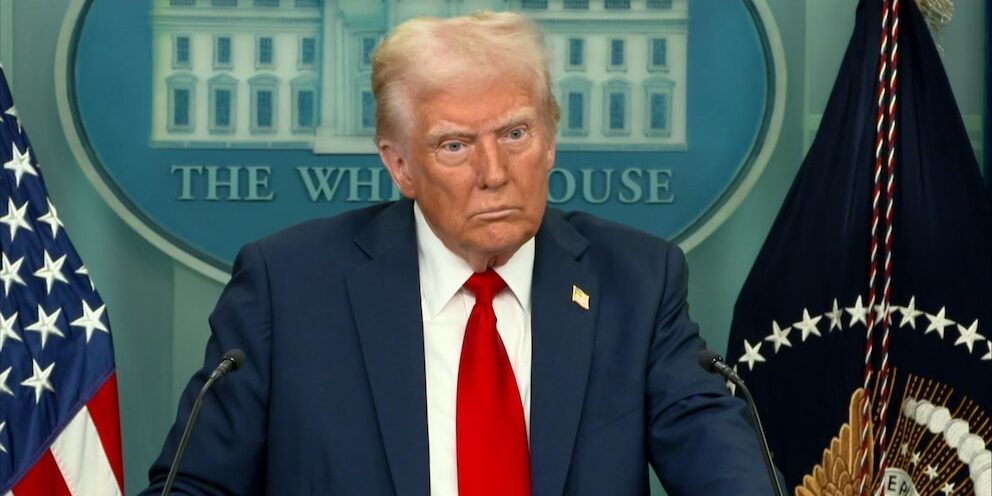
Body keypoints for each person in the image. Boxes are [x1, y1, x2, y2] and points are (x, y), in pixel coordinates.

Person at [144, 11, 779, 496]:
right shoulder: (290, 286)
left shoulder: (636, 281)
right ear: (400, 166)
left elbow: (716, 458)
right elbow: (196, 486)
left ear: (551, 140)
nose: (495, 171)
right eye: (454, 145)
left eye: (516, 133)